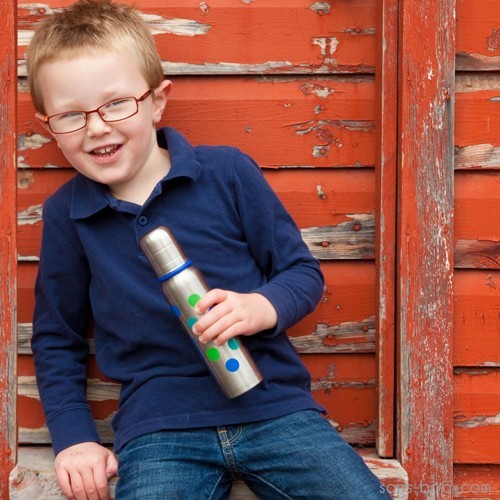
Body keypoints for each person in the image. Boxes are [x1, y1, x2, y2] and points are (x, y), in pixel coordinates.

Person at [27, 1, 391, 498]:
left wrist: (258, 307)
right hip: (160, 427)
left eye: (116, 104)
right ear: (48, 126)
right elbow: (57, 337)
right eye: (72, 114)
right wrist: (75, 440)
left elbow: (301, 272)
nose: (97, 127)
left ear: (157, 101)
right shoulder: (68, 215)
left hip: (275, 408)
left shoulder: (227, 173)